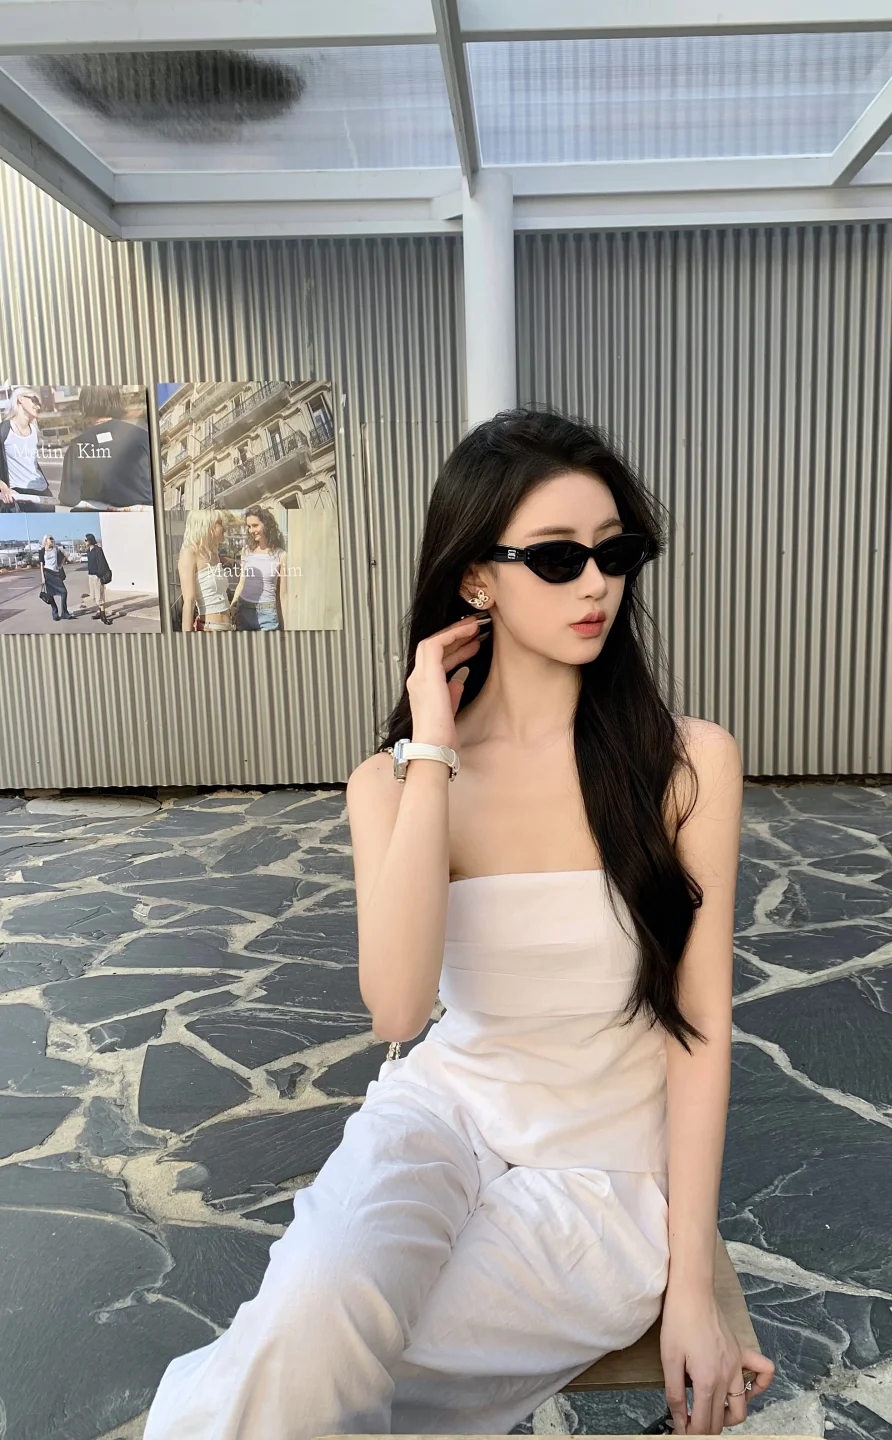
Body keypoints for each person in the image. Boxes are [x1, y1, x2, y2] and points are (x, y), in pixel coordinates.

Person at [144, 408, 774, 1440]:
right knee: (312, 1322)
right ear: (477, 578)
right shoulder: (391, 783)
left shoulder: (687, 762)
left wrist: (692, 1286)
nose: (596, 585)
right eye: (559, 558)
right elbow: (399, 1011)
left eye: (615, 553)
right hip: (441, 1119)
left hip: (602, 1174)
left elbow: (699, 1028)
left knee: (320, 1371)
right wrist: (431, 750)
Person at [57, 385, 153, 509]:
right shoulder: (143, 436)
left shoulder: (78, 446)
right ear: (116, 400)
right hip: (147, 516)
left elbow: (69, 498)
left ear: (85, 403)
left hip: (102, 518)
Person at [177, 509, 238, 632]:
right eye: (219, 523)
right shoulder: (189, 553)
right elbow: (189, 601)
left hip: (229, 626)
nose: (224, 527)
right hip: (209, 628)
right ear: (207, 525)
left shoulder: (213, 554)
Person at [232, 504, 287, 630]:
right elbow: (242, 582)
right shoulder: (246, 551)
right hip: (243, 613)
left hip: (267, 615)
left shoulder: (281, 555)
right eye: (249, 526)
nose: (251, 530)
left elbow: (282, 594)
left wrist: (285, 627)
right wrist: (233, 605)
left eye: (255, 525)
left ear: (266, 525)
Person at [0, 387, 55, 512]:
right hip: (19, 496)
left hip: (44, 494)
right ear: (20, 399)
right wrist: (4, 488)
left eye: (39, 403)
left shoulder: (34, 430)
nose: (38, 406)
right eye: (34, 400)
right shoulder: (4, 430)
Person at [38, 533, 74, 621]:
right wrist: (43, 577)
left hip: (56, 573)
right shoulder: (42, 551)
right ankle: (55, 612)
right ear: (45, 540)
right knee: (50, 594)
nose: (52, 540)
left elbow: (63, 558)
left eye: (52, 538)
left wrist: (60, 565)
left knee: (64, 592)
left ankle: (64, 613)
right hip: (47, 573)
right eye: (50, 538)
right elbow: (41, 565)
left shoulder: (56, 549)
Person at [84, 532, 114, 625]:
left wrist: (99, 574)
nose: (84, 541)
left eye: (86, 540)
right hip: (91, 576)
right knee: (94, 596)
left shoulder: (98, 550)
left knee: (100, 597)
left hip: (97, 576)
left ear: (90, 540)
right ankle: (99, 613)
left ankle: (103, 616)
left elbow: (101, 563)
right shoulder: (88, 551)